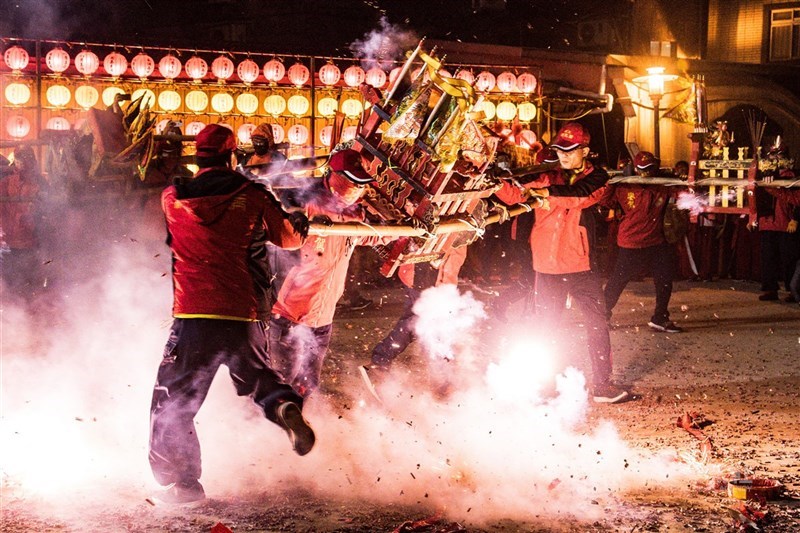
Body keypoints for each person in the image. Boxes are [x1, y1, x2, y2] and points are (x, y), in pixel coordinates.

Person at [149, 124, 315, 505]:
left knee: (174, 398)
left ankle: (184, 485)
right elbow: (288, 237)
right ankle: (281, 403)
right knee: (257, 376)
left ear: (198, 156)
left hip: (194, 312)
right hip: (243, 311)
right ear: (231, 155)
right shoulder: (253, 194)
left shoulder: (171, 197)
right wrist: (299, 223)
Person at [495, 122, 628, 404]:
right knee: (545, 327)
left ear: (586, 151)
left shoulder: (598, 177)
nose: (564, 156)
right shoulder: (547, 176)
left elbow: (579, 197)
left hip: (581, 265)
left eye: (570, 150)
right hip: (545, 266)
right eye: (560, 150)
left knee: (596, 323)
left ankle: (602, 385)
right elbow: (517, 194)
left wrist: (545, 196)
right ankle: (544, 385)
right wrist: (494, 184)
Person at [267, 149, 385, 397]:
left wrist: (410, 230)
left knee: (307, 385)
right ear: (332, 175)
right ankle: (257, 432)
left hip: (323, 319)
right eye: (349, 181)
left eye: (359, 183)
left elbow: (371, 234)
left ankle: (294, 430)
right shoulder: (310, 204)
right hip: (292, 315)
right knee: (278, 386)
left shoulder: (354, 213)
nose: (354, 187)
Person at [600, 151, 683, 332]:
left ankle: (660, 317)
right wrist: (611, 183)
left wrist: (683, 177)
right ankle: (601, 315)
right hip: (631, 241)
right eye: (642, 169)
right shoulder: (624, 187)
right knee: (618, 281)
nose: (646, 173)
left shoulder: (661, 185)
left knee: (664, 279)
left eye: (649, 169)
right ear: (635, 169)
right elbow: (605, 201)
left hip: (656, 240)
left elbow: (682, 192)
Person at [369, 245, 468, 371]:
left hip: (435, 278)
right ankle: (443, 375)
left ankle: (381, 360)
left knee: (413, 323)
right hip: (426, 278)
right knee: (432, 327)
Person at [754, 143, 800, 302]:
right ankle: (770, 289)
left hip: (786, 223)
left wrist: (795, 219)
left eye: (778, 156)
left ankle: (791, 290)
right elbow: (755, 198)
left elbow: (797, 200)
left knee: (789, 258)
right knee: (768, 257)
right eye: (772, 157)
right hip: (767, 222)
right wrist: (753, 218)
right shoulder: (762, 175)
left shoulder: (792, 175)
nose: (775, 160)